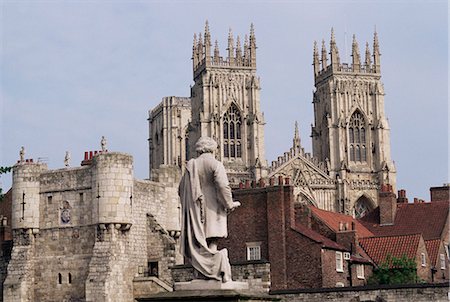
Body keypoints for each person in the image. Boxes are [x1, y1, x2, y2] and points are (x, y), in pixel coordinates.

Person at [179, 136, 240, 283]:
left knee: (201, 242)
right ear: (213, 149)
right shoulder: (215, 164)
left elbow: (181, 189)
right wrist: (229, 203)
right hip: (213, 209)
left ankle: (202, 272)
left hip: (195, 210)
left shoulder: (191, 165)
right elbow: (223, 186)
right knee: (212, 241)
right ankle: (214, 269)